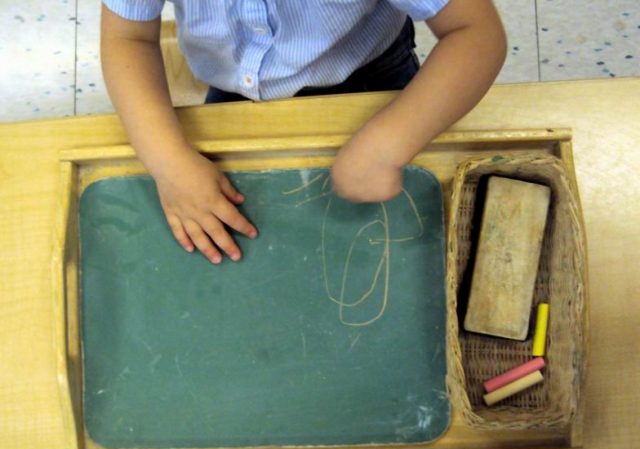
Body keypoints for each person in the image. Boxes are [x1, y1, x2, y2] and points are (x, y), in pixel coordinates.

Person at [101, 0, 506, 265]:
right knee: (233, 245)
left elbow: (475, 33)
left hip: (370, 79)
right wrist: (168, 162)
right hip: (236, 91)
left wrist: (388, 145)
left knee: (394, 253)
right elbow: (128, 38)